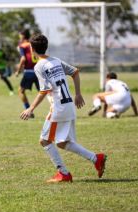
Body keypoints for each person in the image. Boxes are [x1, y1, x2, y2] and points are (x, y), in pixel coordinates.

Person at [20, 34, 107, 183]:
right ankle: (95, 158)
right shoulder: (56, 61)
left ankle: (64, 174)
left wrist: (31, 108)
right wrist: (78, 94)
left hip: (58, 108)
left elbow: (44, 90)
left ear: (31, 48)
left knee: (44, 140)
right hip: (68, 106)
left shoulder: (39, 66)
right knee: (61, 143)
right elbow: (75, 72)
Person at [15, 29, 40, 118]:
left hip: (29, 72)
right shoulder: (34, 44)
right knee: (44, 92)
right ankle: (55, 108)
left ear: (22, 35)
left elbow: (23, 59)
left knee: (20, 91)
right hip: (39, 71)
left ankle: (28, 110)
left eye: (19, 35)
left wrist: (18, 70)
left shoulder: (23, 45)